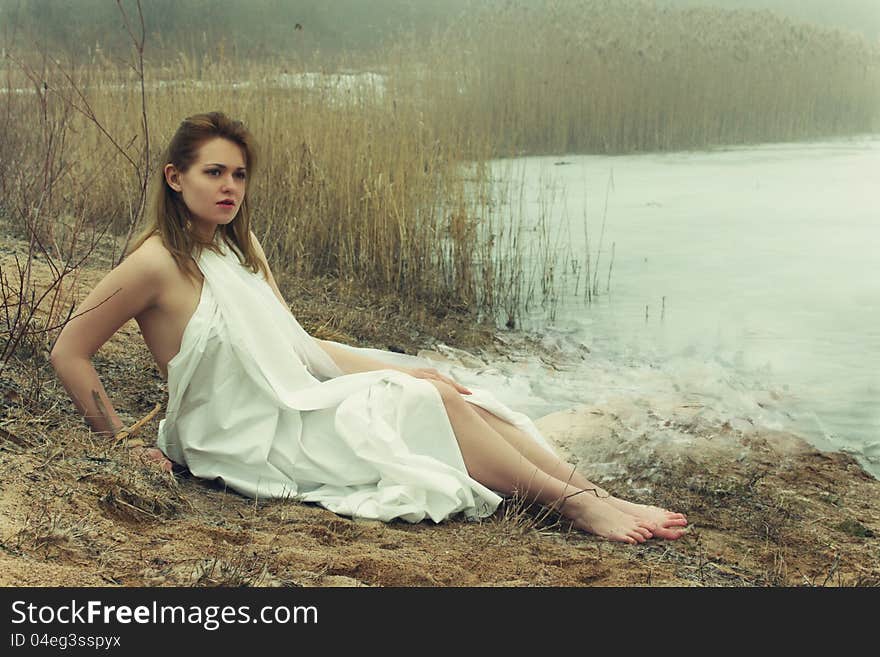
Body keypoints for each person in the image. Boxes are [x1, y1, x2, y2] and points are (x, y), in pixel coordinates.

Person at [50, 111, 687, 545]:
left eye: (239, 174)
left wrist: (397, 368)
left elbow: (301, 348)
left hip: (290, 403)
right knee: (426, 401)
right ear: (175, 177)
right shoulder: (154, 263)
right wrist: (121, 444)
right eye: (213, 172)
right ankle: (572, 505)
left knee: (446, 391)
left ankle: (591, 491)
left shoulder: (242, 253)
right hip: (242, 434)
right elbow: (69, 352)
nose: (229, 186)